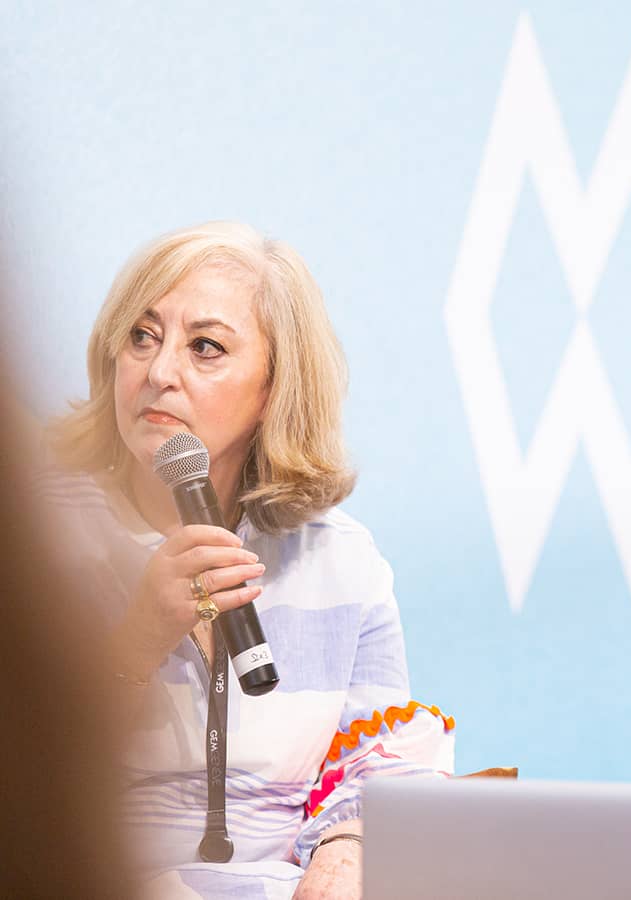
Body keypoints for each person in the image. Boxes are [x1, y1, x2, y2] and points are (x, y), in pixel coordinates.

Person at [39, 222, 454, 898]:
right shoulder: (42, 540)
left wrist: (346, 854)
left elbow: (376, 764)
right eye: (142, 337)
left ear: (273, 387)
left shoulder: (338, 558)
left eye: (205, 347)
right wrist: (137, 639)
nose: (159, 372)